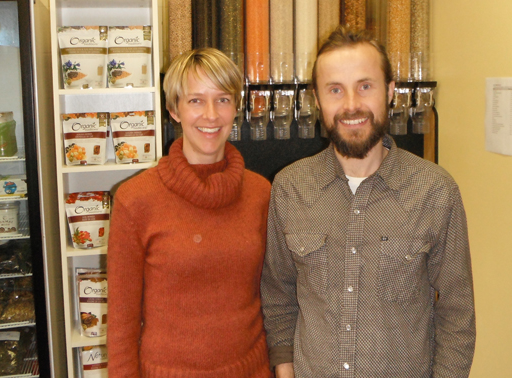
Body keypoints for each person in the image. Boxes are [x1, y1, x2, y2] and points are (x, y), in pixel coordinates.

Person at [260, 26, 476, 378]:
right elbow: (278, 293)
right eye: (335, 90)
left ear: (389, 91)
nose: (351, 105)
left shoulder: (435, 191)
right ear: (317, 99)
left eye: (365, 86)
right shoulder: (289, 188)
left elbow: (457, 315)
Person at [107, 48, 273, 377]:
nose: (211, 115)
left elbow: (275, 297)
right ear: (174, 110)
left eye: (223, 99)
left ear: (236, 107)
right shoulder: (135, 200)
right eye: (196, 100)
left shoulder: (261, 193)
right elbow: (121, 325)